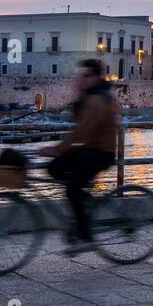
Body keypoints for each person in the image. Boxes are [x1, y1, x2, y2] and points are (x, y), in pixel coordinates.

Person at [39, 58, 119, 252]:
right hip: (89, 149)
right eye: (80, 76)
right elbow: (79, 122)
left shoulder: (100, 99)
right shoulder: (90, 96)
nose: (81, 79)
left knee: (72, 189)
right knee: (54, 168)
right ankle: (85, 200)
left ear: (97, 77)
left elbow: (83, 129)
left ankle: (86, 236)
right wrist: (79, 96)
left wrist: (58, 148)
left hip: (101, 152)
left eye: (86, 76)